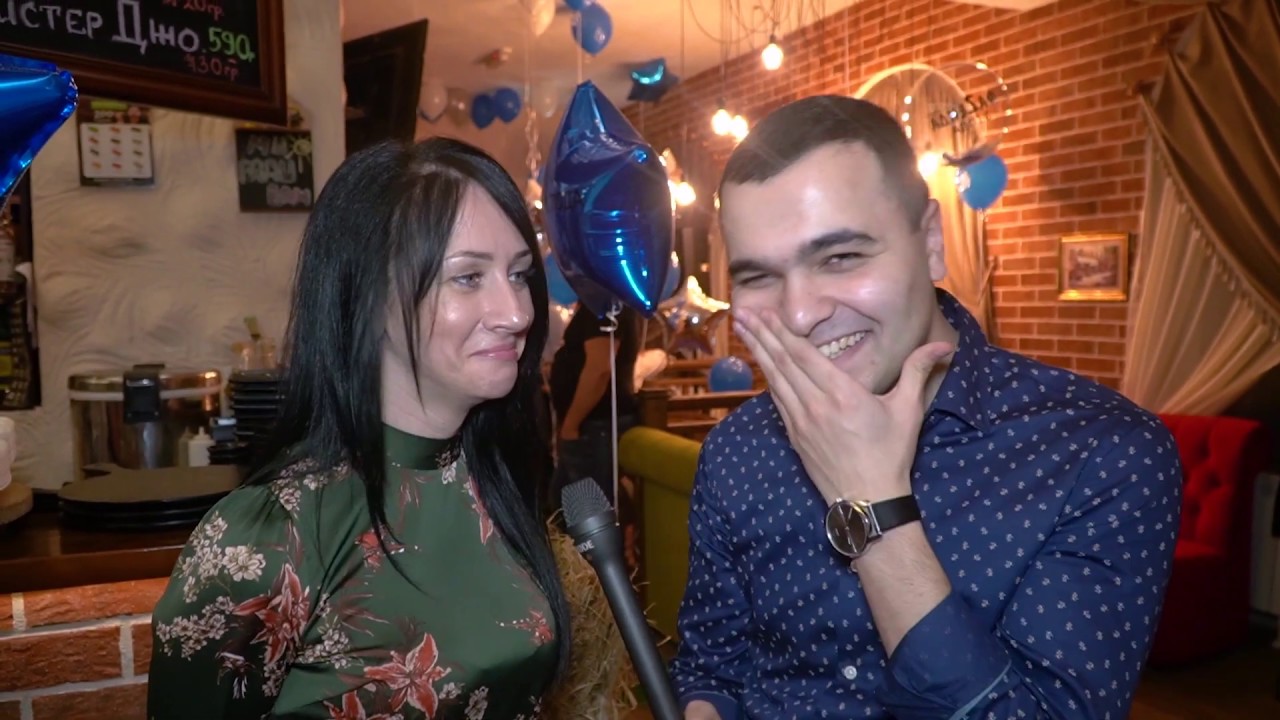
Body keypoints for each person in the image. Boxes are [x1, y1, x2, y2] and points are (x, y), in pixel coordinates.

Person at [672, 95, 1183, 720]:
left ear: (933, 242)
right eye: (757, 276)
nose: (799, 314)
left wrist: (873, 505)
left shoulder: (1103, 453)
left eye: (841, 257)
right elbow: (712, 667)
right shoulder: (735, 449)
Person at [148, 137, 570, 719]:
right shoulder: (270, 536)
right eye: (468, 277)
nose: (517, 312)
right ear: (368, 297)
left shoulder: (487, 482)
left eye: (519, 274)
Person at [548, 300, 641, 507]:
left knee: (587, 509)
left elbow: (599, 370)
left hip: (594, 426)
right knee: (566, 504)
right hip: (592, 425)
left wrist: (571, 425)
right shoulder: (604, 306)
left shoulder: (604, 305)